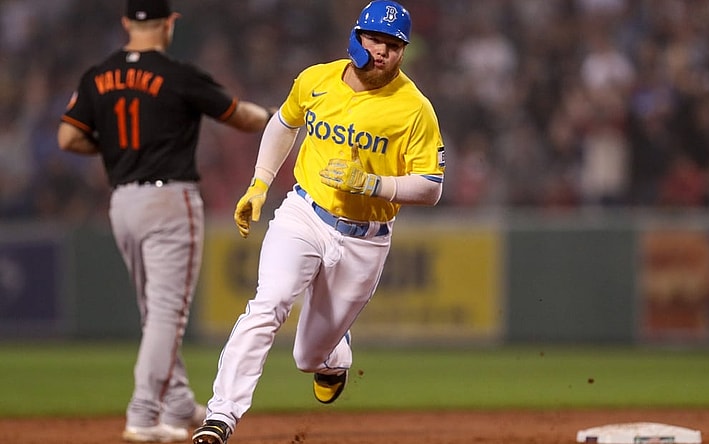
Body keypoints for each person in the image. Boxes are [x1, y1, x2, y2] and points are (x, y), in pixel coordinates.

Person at [191, 1, 445, 443]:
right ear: (357, 37)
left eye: (393, 44)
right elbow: (283, 124)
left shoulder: (414, 108)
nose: (383, 51)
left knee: (308, 357)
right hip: (304, 214)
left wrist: (372, 183)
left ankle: (334, 356)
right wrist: (259, 184)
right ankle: (220, 417)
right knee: (268, 303)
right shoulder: (317, 78)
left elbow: (430, 186)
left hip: (364, 240)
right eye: (375, 39)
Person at [57, 0, 274, 442]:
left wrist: (118, 148)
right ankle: (142, 413)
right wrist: (276, 117)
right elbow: (242, 117)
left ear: (125, 23)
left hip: (123, 203)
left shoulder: (97, 75)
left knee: (153, 311)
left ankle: (176, 403)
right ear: (169, 23)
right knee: (167, 316)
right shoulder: (178, 75)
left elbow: (68, 136)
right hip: (169, 200)